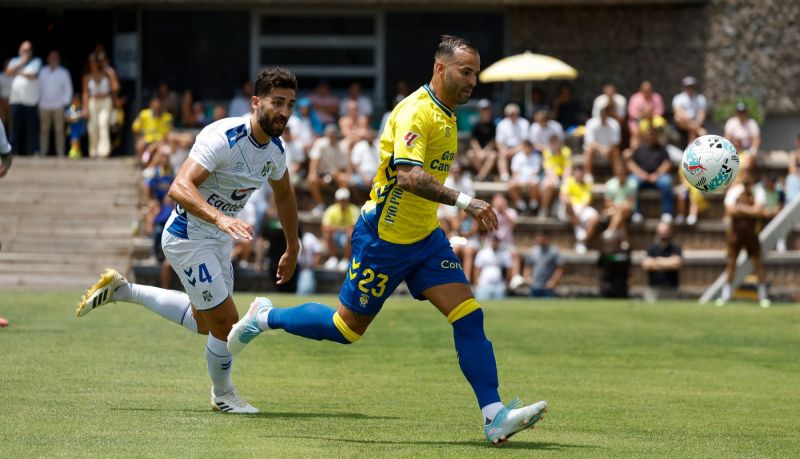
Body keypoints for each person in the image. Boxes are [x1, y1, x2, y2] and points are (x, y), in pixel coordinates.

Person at [227, 36, 547, 446]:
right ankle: (265, 316)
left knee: (469, 316)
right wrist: (465, 201)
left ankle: (494, 416)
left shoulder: (448, 113)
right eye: (465, 72)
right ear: (441, 68)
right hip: (384, 238)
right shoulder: (416, 111)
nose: (472, 81)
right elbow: (409, 177)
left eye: (475, 74)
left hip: (426, 238)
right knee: (345, 329)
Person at [75, 67, 301, 413]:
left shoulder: (275, 150)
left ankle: (123, 290)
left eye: (290, 104)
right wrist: (220, 217)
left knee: (204, 323)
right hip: (188, 237)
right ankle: (223, 395)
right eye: (278, 102)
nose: (285, 112)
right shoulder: (224, 137)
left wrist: (293, 245)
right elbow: (179, 187)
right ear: (256, 102)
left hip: (217, 240)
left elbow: (284, 194)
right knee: (227, 325)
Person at [716, 168, 769, 308]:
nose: (745, 178)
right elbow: (730, 211)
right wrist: (749, 210)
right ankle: (726, 295)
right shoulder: (734, 191)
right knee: (731, 264)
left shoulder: (759, 191)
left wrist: (740, 208)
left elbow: (759, 211)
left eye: (748, 175)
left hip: (752, 234)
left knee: (757, 264)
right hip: (735, 234)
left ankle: (763, 296)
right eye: (744, 174)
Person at [627, 127, 673, 224]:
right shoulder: (639, 148)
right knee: (631, 183)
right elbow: (630, 163)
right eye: (649, 134)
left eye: (653, 134)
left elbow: (667, 163)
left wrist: (657, 174)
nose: (651, 136)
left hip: (658, 177)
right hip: (641, 177)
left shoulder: (662, 149)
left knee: (667, 182)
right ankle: (636, 213)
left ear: (656, 136)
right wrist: (641, 174)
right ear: (645, 135)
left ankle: (667, 213)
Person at [6, 40, 42, 155]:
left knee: (32, 128)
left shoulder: (36, 61)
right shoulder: (14, 60)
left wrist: (17, 72)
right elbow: (8, 72)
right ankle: (12, 151)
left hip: (31, 101)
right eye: (24, 50)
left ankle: (32, 151)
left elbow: (33, 75)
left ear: (32, 51)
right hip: (16, 100)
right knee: (14, 128)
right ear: (20, 51)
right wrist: (21, 63)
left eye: (29, 50)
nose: (26, 52)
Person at [38, 50, 72, 157]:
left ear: (59, 59)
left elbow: (68, 89)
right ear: (48, 59)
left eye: (55, 58)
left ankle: (60, 152)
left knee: (59, 130)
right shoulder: (42, 71)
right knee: (44, 130)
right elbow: (38, 88)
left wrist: (64, 103)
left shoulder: (64, 73)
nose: (53, 60)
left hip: (58, 106)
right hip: (44, 105)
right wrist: (38, 101)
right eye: (51, 57)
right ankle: (43, 152)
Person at [559, 165, 598, 254]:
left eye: (581, 173)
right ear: (574, 174)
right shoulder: (568, 182)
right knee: (568, 204)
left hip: (582, 209)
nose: (579, 175)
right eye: (577, 173)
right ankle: (579, 227)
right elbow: (563, 198)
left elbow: (586, 201)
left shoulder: (587, 184)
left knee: (595, 218)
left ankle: (582, 241)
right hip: (569, 209)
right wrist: (576, 212)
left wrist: (579, 213)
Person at [82, 53, 115, 158]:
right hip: (93, 102)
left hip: (105, 101)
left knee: (103, 124)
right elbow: (85, 93)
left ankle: (104, 151)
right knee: (92, 126)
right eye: (91, 63)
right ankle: (93, 151)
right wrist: (85, 108)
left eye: (95, 63)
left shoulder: (107, 74)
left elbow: (115, 88)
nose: (93, 65)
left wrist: (112, 75)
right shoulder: (87, 77)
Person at [641, 222, 682, 302]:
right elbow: (646, 265)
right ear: (657, 233)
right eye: (661, 231)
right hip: (653, 289)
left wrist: (657, 261)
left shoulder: (675, 248)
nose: (664, 234)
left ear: (670, 232)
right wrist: (668, 262)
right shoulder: (651, 248)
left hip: (671, 289)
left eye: (666, 231)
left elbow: (677, 264)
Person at [321, 187, 360, 272]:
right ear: (337, 200)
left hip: (346, 237)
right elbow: (324, 227)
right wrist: (343, 228)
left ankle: (346, 259)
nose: (342, 202)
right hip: (336, 236)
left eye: (344, 200)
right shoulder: (331, 210)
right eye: (341, 200)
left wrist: (336, 228)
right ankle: (333, 258)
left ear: (348, 200)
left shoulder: (354, 210)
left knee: (350, 234)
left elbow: (355, 227)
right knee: (328, 233)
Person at [583, 104, 621, 181]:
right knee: (588, 150)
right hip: (595, 150)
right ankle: (587, 175)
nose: (603, 117)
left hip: (610, 150)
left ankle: (617, 176)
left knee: (616, 151)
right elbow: (589, 142)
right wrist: (602, 148)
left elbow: (616, 142)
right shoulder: (591, 123)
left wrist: (607, 149)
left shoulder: (614, 124)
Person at [602, 162, 637, 243]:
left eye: (622, 173)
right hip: (613, 210)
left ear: (626, 173)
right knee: (620, 214)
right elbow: (607, 203)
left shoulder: (632, 184)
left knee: (621, 211)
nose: (620, 175)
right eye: (618, 173)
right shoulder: (610, 184)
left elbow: (630, 203)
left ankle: (611, 229)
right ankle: (624, 241)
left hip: (628, 211)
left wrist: (618, 207)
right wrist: (619, 206)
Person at [495, 102, 529, 182]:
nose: (512, 116)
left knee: (521, 154)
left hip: (520, 148)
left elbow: (525, 142)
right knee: (501, 154)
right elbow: (498, 142)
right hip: (506, 148)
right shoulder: (501, 124)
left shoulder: (524, 123)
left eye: (514, 114)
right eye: (510, 114)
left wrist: (514, 150)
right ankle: (504, 176)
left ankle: (517, 177)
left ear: (518, 113)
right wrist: (504, 150)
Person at [539, 133, 572, 217]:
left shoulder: (566, 151)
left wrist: (565, 178)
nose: (555, 145)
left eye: (556, 142)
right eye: (553, 143)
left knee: (566, 185)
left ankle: (562, 210)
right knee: (547, 185)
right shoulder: (546, 152)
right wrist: (554, 178)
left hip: (563, 176)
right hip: (551, 176)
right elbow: (548, 168)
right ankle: (544, 208)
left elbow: (568, 167)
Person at [523, 232, 563, 298]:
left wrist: (553, 281)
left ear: (547, 238)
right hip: (534, 286)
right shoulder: (533, 251)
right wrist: (528, 278)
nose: (540, 240)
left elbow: (559, 269)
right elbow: (527, 267)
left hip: (547, 287)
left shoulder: (554, 251)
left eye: (541, 238)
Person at [466, 99, 498, 181]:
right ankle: (485, 175)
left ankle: (480, 176)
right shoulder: (476, 125)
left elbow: (493, 141)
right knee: (470, 154)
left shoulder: (493, 125)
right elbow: (474, 140)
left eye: (486, 109)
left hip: (489, 151)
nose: (485, 112)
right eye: (483, 110)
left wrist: (485, 151)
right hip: (478, 151)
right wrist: (479, 151)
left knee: (493, 155)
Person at [627, 81, 664, 149]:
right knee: (635, 133)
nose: (648, 92)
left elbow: (660, 111)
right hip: (639, 120)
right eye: (646, 90)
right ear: (641, 90)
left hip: (653, 119)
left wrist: (650, 114)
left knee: (660, 125)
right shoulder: (635, 98)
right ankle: (634, 151)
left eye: (649, 90)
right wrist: (643, 115)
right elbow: (631, 113)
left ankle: (660, 148)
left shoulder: (657, 97)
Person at [507, 139, 541, 214]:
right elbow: (514, 172)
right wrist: (517, 179)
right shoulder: (517, 156)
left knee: (533, 183)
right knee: (510, 185)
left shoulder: (536, 156)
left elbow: (535, 172)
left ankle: (534, 205)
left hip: (531, 177)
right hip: (519, 177)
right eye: (525, 146)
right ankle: (520, 205)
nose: (527, 148)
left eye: (528, 146)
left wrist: (528, 180)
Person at [724, 102, 761, 170]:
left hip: (747, 150)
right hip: (734, 150)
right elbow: (727, 137)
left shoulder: (752, 123)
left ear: (746, 112)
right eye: (740, 112)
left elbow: (756, 139)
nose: (741, 114)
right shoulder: (731, 122)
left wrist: (753, 150)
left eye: (743, 112)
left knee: (751, 161)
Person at [672, 76, 707, 144]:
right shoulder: (678, 98)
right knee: (678, 118)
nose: (690, 88)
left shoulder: (700, 98)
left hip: (694, 122)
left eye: (691, 86)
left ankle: (693, 131)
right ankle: (697, 130)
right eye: (688, 86)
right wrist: (695, 127)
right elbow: (678, 112)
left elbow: (701, 114)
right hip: (684, 122)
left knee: (681, 120)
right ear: (684, 87)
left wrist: (695, 124)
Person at [65, 94, 85, 159]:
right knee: (73, 140)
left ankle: (77, 151)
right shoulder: (70, 110)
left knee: (77, 140)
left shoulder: (80, 110)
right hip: (72, 128)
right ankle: (73, 151)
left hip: (78, 128)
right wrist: (72, 118)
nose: (75, 102)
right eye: (74, 101)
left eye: (77, 101)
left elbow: (83, 116)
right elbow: (66, 117)